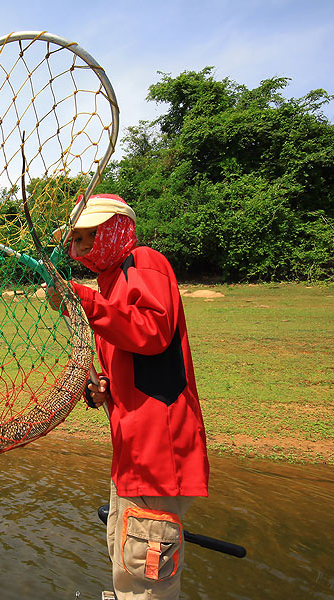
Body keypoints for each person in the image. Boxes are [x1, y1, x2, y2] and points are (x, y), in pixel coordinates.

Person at [44, 194, 209, 600]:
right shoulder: (109, 284)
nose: (79, 250)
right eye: (76, 242)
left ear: (116, 229)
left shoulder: (144, 262)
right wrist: (100, 390)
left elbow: (153, 331)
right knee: (125, 552)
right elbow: (122, 361)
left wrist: (80, 300)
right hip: (130, 450)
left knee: (147, 570)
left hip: (158, 451)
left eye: (88, 237)